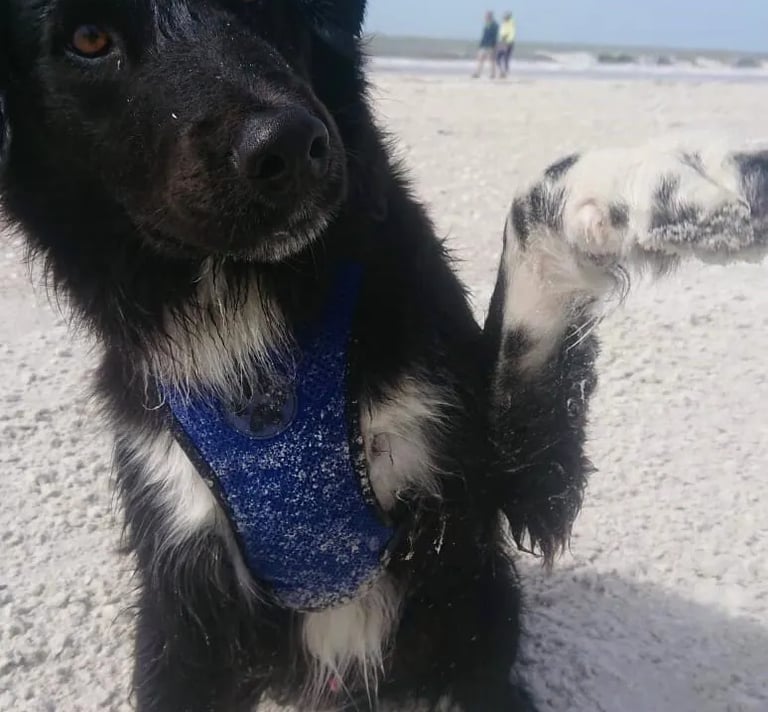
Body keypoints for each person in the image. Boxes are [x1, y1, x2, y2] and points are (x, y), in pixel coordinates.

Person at [473, 11, 499, 79]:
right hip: (484, 45)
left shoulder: (495, 25)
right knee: (480, 59)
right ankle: (477, 73)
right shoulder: (486, 25)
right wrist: (480, 45)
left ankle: (492, 74)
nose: (485, 17)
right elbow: (484, 36)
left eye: (486, 16)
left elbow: (495, 36)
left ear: (490, 16)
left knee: (491, 60)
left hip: (491, 46)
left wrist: (494, 45)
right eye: (485, 16)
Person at [496, 12, 517, 78]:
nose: (503, 17)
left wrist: (503, 40)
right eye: (504, 16)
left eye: (505, 16)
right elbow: (502, 33)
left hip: (507, 42)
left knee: (505, 58)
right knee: (499, 58)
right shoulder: (504, 23)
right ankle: (503, 72)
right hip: (503, 42)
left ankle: (504, 72)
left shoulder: (510, 23)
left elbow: (507, 33)